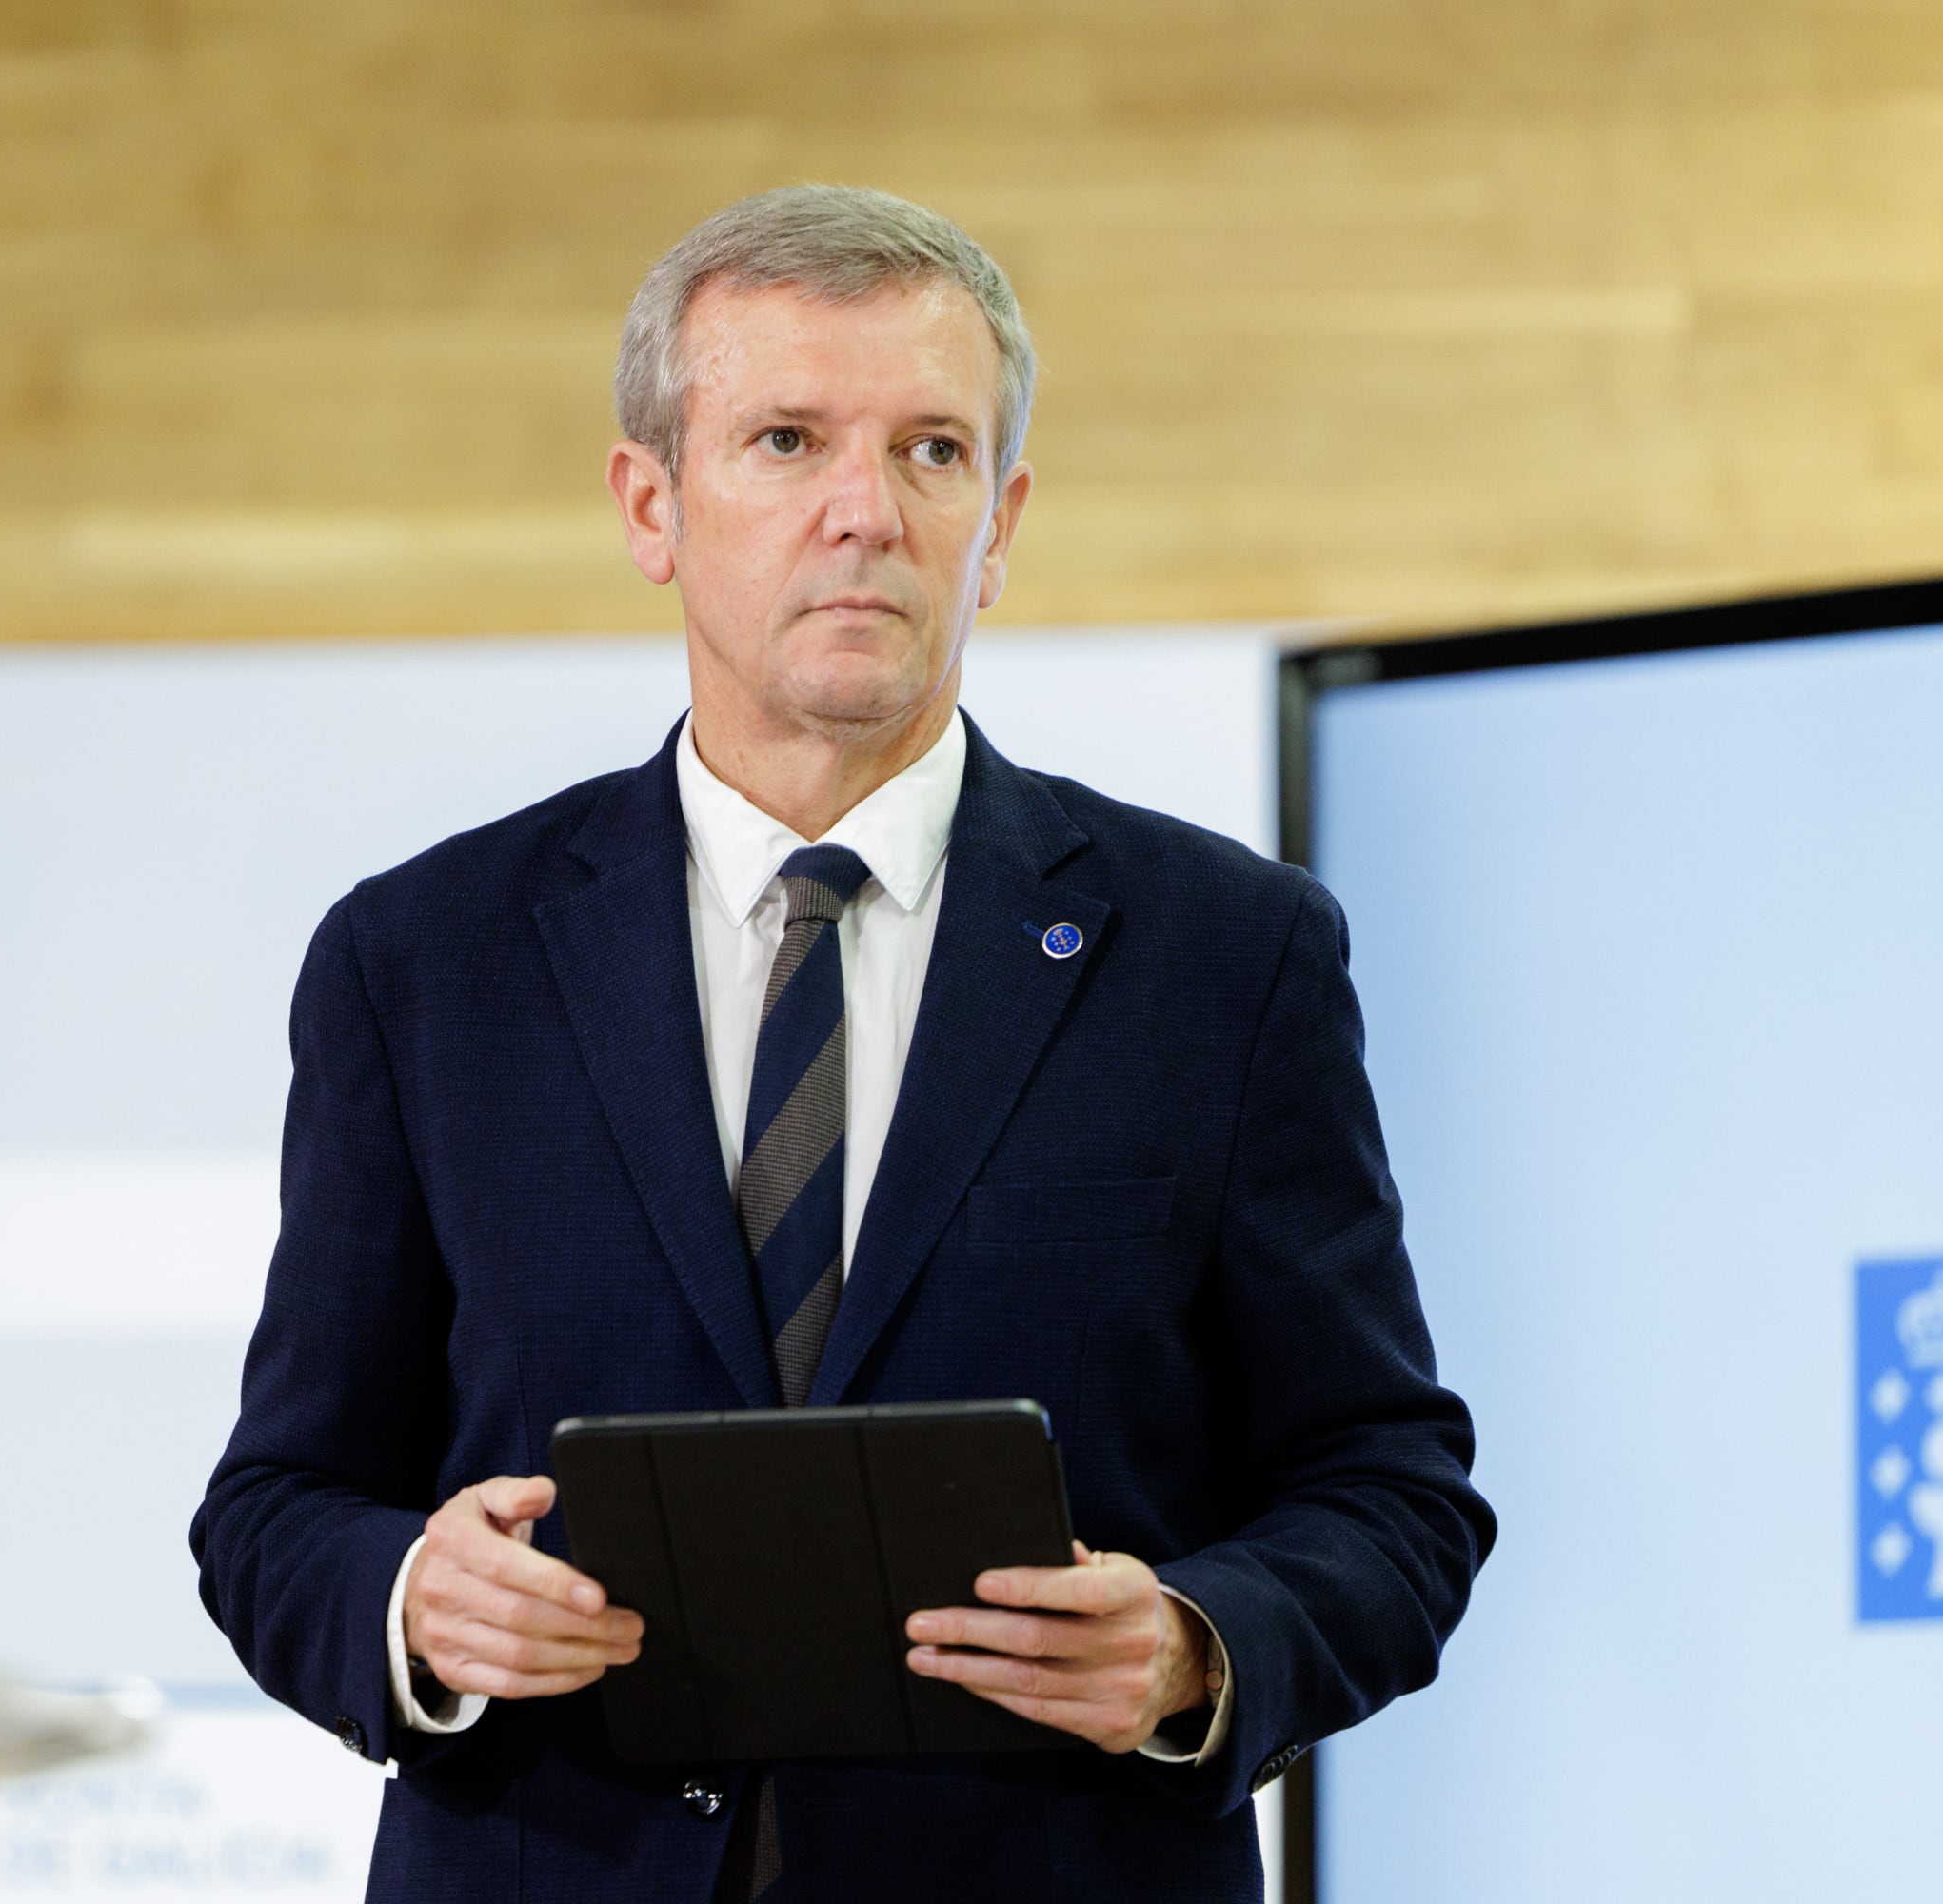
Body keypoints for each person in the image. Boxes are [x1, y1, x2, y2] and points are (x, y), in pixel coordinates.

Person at [193, 185, 1492, 1903]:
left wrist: (1197, 1647)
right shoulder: (424, 962)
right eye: (788, 440)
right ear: (651, 502)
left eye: (932, 452)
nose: (863, 515)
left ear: (1002, 517)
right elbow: (279, 1501)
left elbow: (1389, 1493)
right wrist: (411, 1604)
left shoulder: (1225, 957)